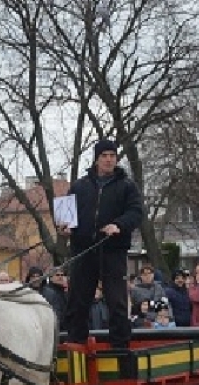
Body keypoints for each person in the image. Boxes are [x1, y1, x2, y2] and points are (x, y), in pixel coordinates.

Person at [60, 139, 144, 349]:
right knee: (78, 301)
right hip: (83, 249)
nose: (108, 160)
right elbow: (66, 217)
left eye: (112, 156)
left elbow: (136, 212)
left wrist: (119, 225)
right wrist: (65, 227)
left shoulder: (126, 186)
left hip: (112, 250)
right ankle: (75, 345)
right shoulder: (80, 186)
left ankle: (120, 349)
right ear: (96, 159)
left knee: (116, 302)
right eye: (104, 156)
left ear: (116, 159)